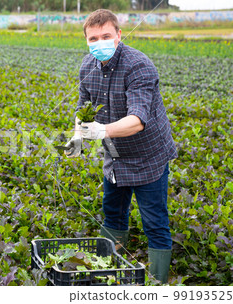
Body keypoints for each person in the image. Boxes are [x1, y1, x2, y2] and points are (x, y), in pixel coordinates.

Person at [64, 9, 177, 284]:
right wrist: (78, 133)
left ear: (118, 35)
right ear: (86, 41)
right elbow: (83, 108)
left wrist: (102, 130)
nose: (99, 42)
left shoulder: (139, 66)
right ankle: (109, 269)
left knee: (154, 222)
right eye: (93, 38)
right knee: (112, 213)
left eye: (105, 36)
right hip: (114, 155)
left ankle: (157, 283)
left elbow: (138, 120)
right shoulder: (87, 66)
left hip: (148, 155)